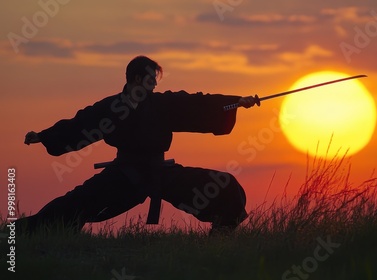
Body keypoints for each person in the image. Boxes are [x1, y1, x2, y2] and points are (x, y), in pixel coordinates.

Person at [20, 55, 258, 235]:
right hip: (124, 175)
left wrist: (236, 102)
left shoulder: (162, 104)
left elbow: (197, 103)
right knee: (74, 204)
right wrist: (44, 136)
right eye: (151, 80)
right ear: (137, 79)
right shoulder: (111, 107)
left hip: (159, 173)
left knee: (225, 186)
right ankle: (18, 232)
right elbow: (80, 124)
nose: (155, 85)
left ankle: (221, 237)